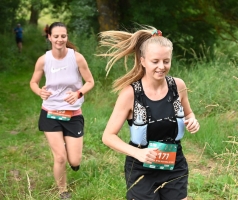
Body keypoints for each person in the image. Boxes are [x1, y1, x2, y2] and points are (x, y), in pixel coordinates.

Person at [99, 26, 200, 200]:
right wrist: (137, 153)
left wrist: (192, 121)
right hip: (141, 168)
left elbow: (189, 114)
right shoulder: (130, 94)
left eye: (166, 61)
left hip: (174, 163)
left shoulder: (178, 86)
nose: (162, 67)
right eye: (155, 61)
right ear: (143, 61)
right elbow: (108, 136)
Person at [29, 22, 94, 199]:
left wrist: (78, 93)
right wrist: (39, 91)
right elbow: (33, 82)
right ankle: (62, 190)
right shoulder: (43, 60)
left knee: (74, 160)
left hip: (73, 114)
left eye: (63, 36)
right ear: (49, 37)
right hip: (50, 113)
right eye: (56, 36)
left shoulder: (77, 58)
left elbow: (90, 82)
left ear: (67, 37)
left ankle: (71, 157)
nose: (59, 39)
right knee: (59, 158)